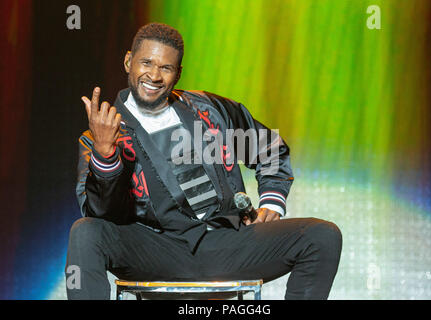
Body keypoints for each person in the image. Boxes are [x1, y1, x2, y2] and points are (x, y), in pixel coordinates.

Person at [66, 22, 342, 300]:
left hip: (224, 245)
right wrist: (105, 154)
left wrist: (272, 200)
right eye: (146, 63)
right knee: (86, 232)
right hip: (156, 251)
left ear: (178, 73)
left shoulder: (210, 109)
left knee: (321, 236)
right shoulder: (100, 135)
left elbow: (269, 146)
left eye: (166, 68)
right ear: (129, 61)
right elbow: (102, 216)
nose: (154, 75)